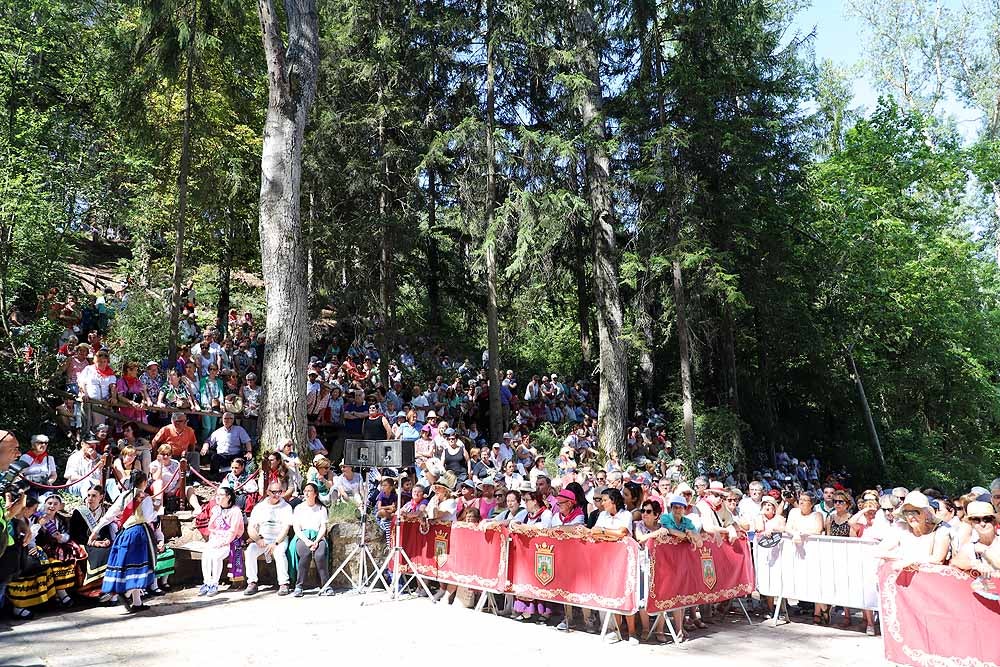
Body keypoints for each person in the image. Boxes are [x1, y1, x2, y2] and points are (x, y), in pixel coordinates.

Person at [90, 471, 158, 613]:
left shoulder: (123, 495)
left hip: (125, 533)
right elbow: (148, 517)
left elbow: (109, 515)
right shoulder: (145, 497)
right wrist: (157, 510)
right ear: (144, 482)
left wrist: (95, 531)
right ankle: (122, 592)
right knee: (137, 566)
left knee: (125, 565)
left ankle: (136, 601)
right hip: (139, 533)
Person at [510, 491, 555, 622]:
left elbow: (543, 528)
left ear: (535, 501)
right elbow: (513, 522)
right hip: (525, 552)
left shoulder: (546, 513)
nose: (525, 503)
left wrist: (525, 527)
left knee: (542, 580)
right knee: (525, 579)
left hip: (541, 552)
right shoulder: (525, 513)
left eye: (527, 500)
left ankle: (544, 612)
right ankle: (526, 611)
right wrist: (517, 525)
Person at [244, 481, 294, 596]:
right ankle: (252, 582)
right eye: (274, 492)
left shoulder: (286, 507)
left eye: (279, 492)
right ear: (267, 492)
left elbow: (285, 529)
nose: (276, 495)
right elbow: (251, 527)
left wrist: (275, 543)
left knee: (279, 553)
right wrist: (257, 539)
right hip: (263, 538)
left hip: (279, 539)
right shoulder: (260, 507)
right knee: (250, 550)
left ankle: (284, 583)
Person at [878, 490, 951, 566]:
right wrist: (902, 558)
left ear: (926, 513)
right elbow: (880, 551)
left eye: (914, 512)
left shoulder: (940, 531)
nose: (910, 517)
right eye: (906, 512)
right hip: (903, 575)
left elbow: (938, 560)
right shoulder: (900, 527)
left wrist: (910, 560)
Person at [69, 485, 116, 601]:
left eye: (94, 496)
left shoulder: (105, 512)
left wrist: (106, 540)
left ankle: (108, 590)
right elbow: (75, 535)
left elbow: (105, 531)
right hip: (83, 544)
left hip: (99, 543)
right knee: (99, 554)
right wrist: (93, 543)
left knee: (111, 551)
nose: (90, 498)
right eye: (88, 495)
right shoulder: (80, 512)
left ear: (101, 497)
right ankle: (92, 591)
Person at [198, 486, 244, 597]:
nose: (217, 497)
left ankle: (214, 583)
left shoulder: (235, 511)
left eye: (221, 495)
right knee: (206, 555)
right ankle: (207, 582)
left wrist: (223, 542)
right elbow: (211, 527)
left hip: (230, 541)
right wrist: (214, 539)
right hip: (215, 539)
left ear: (228, 497)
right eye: (217, 495)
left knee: (216, 557)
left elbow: (233, 531)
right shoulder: (216, 510)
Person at [290, 483, 332, 597]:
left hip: (318, 536)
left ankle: (326, 585)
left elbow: (323, 527)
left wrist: (317, 540)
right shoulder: (299, 508)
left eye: (309, 491)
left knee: (320, 554)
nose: (306, 493)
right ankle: (299, 586)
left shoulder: (321, 508)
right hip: (303, 536)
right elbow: (296, 528)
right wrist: (307, 541)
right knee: (305, 554)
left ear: (315, 493)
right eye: (305, 491)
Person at [950, 501, 999, 575]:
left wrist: (985, 551)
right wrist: (973, 564)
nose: (982, 524)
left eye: (987, 519)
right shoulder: (971, 546)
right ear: (971, 524)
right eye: (976, 520)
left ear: (994, 521)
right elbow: (954, 562)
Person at [201, 411, 252, 478]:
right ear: (222, 420)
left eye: (230, 418)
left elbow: (247, 441)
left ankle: (240, 477)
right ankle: (214, 477)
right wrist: (205, 448)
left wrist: (249, 451)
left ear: (233, 420)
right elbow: (208, 441)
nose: (227, 420)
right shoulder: (218, 431)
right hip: (222, 456)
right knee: (214, 457)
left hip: (235, 455)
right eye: (225, 418)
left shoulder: (239, 429)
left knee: (243, 460)